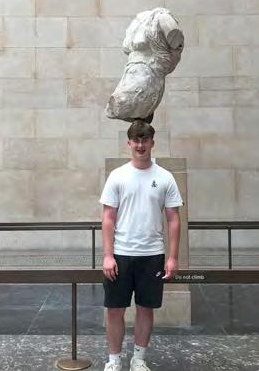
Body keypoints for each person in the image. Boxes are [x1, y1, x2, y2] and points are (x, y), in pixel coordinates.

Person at [99, 120, 183, 371]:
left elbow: (174, 219)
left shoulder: (165, 177)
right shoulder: (118, 176)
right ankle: (114, 360)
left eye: (145, 140)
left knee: (146, 309)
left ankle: (139, 359)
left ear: (152, 143)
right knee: (115, 310)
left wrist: (173, 258)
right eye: (136, 140)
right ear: (129, 143)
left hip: (152, 255)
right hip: (120, 255)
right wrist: (107, 255)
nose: (140, 145)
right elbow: (108, 218)